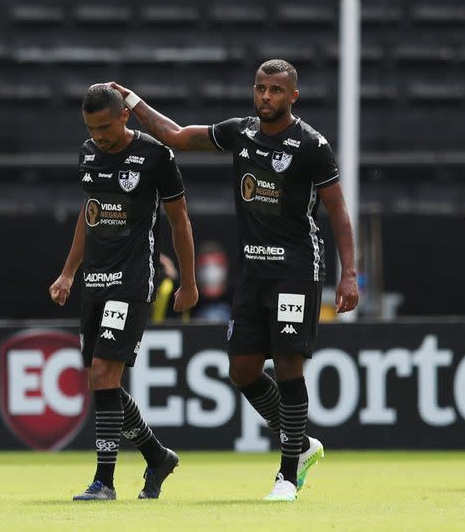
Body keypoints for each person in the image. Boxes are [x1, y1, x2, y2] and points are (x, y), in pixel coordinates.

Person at [109, 59, 359, 501]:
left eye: (276, 91)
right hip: (253, 272)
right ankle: (300, 442)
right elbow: (176, 137)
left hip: (296, 271)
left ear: (292, 97)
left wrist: (349, 275)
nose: (266, 97)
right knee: (242, 371)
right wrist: (133, 101)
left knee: (287, 365)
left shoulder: (311, 146)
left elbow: (338, 211)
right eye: (261, 89)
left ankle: (286, 475)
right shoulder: (240, 132)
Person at [49, 84, 198, 501]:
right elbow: (89, 211)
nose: (98, 136)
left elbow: (179, 219)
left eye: (104, 127)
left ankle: (105, 482)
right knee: (101, 380)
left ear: (124, 116)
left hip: (131, 281)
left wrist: (188, 281)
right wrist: (68, 273)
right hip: (94, 281)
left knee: (103, 373)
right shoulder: (87, 154)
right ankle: (156, 454)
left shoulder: (154, 155)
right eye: (91, 129)